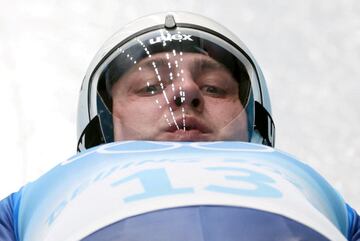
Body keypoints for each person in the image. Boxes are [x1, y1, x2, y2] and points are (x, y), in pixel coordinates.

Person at [1, 12, 359, 241]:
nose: (185, 91)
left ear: (252, 122)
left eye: (214, 87)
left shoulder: (35, 203)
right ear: (103, 127)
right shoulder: (29, 203)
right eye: (150, 87)